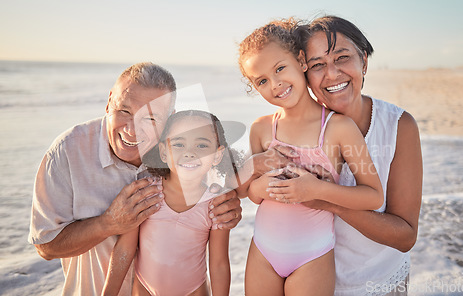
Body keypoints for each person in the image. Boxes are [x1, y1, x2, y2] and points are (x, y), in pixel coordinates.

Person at [28, 62, 242, 296]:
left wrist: (231, 201)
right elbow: (46, 247)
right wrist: (109, 222)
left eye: (150, 119)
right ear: (109, 101)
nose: (132, 129)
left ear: (168, 120)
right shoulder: (67, 151)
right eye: (124, 111)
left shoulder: (179, 154)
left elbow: (216, 176)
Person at [251, 16, 423, 295]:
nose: (331, 75)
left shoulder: (397, 126)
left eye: (342, 58)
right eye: (318, 65)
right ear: (303, 69)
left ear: (363, 61)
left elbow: (405, 236)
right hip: (304, 279)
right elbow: (227, 181)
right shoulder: (279, 129)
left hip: (377, 282)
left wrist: (326, 199)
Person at [103, 110, 242, 296]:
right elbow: (124, 249)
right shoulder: (146, 193)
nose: (189, 153)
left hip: (195, 291)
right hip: (144, 290)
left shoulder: (216, 205)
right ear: (163, 152)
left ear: (217, 155)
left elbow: (218, 264)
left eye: (201, 145)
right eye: (178, 144)